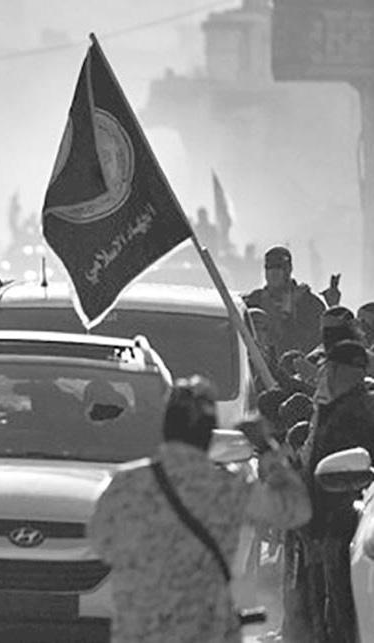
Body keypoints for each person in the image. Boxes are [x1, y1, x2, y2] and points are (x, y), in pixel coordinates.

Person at [89, 377, 311, 643]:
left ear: (165, 427)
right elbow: (296, 511)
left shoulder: (125, 483)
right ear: (209, 434)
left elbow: (101, 544)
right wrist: (268, 451)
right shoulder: (229, 487)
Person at [301, 340, 374, 643]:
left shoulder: (359, 410)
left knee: (345, 614)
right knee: (330, 611)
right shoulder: (332, 407)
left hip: (347, 523)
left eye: (331, 369)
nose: (325, 376)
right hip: (327, 523)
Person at [243, 246, 325, 354]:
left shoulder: (310, 304)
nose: (273, 273)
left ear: (289, 269)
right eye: (269, 267)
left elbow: (317, 342)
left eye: (279, 267)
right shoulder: (254, 301)